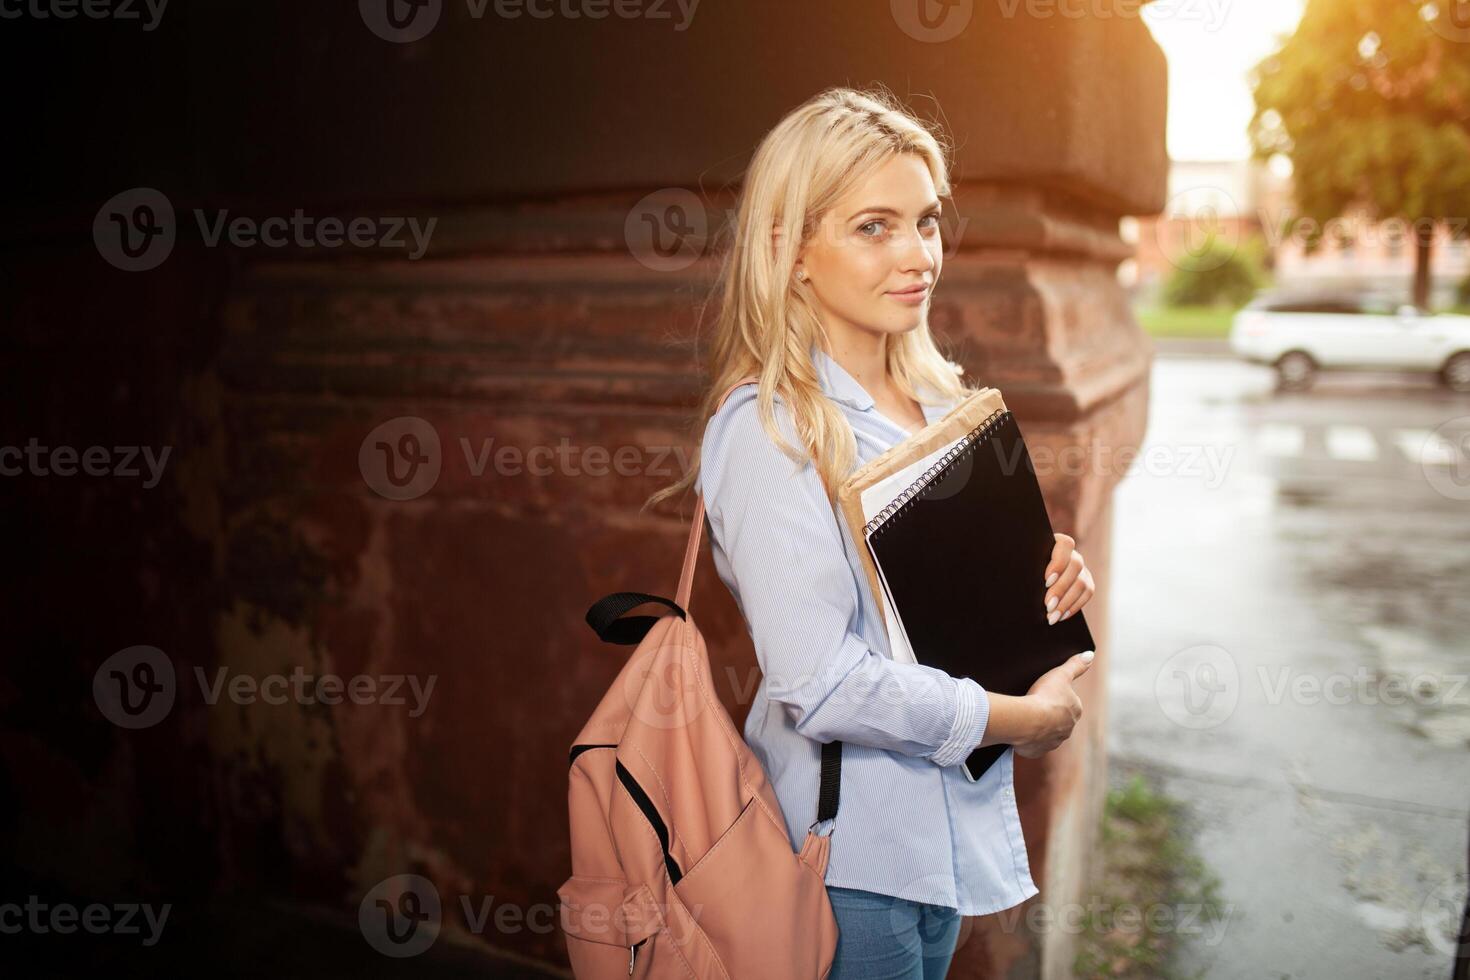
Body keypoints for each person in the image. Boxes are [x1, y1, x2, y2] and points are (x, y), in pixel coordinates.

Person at [647, 85, 1097, 979]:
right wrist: (1018, 719)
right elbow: (818, 681)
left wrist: (1044, 588)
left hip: (941, 843)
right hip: (846, 864)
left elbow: (941, 609)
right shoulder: (770, 429)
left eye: (926, 222)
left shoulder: (940, 401)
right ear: (793, 249)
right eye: (873, 227)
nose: (917, 254)